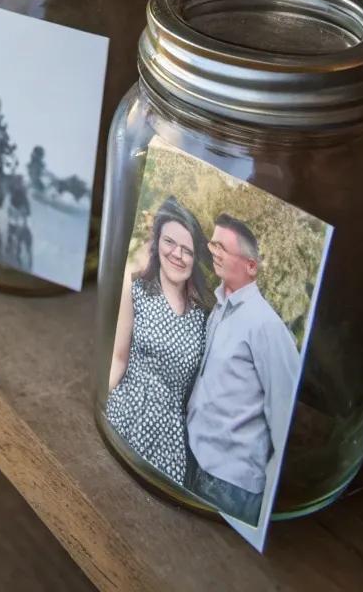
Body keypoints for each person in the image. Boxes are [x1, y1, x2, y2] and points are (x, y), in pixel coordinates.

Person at [186, 214, 301, 527]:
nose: (215, 252)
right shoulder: (221, 307)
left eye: (223, 247)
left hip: (231, 485)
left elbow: (284, 414)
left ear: (252, 266)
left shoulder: (266, 326)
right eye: (213, 244)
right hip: (199, 466)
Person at [106, 199, 212, 487]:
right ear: (157, 242)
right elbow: (118, 358)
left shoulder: (202, 317)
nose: (177, 254)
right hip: (124, 415)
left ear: (195, 257)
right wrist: (101, 404)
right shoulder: (137, 289)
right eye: (169, 242)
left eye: (187, 250)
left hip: (170, 443)